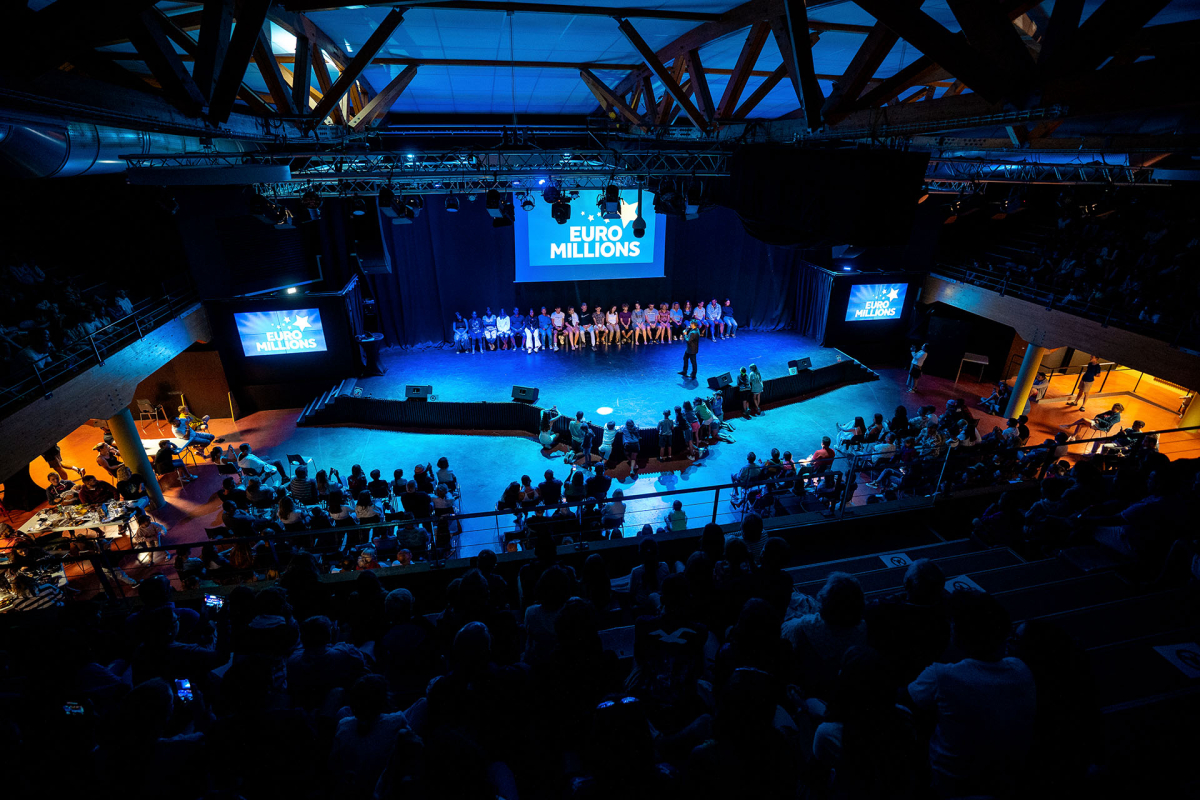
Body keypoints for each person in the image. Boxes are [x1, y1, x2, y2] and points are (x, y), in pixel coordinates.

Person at [907, 590, 1036, 797]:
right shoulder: (1021, 669)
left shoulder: (942, 675)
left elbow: (910, 697)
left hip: (948, 782)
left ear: (958, 633)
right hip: (1003, 781)